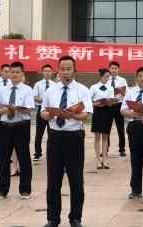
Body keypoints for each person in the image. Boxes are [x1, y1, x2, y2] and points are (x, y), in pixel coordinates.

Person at [41, 55, 93, 227]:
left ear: (74, 70)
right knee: (53, 179)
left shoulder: (83, 90)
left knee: (76, 180)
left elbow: (86, 114)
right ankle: (52, 218)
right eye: (62, 69)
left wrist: (73, 115)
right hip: (55, 138)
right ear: (58, 70)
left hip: (74, 138)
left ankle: (75, 217)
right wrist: (48, 115)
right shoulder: (50, 91)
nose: (65, 72)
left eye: (69, 69)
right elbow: (42, 112)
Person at [0, 61, 34, 200]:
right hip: (6, 126)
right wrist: (6, 110)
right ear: (9, 74)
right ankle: (2, 189)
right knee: (4, 158)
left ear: (22, 74)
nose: (14, 75)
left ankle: (25, 189)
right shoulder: (2, 90)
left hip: (21, 125)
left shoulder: (28, 90)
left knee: (24, 158)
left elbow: (28, 109)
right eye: (12, 72)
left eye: (17, 72)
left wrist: (15, 108)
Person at [121, 67, 143, 200]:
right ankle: (135, 189)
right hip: (134, 126)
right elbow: (123, 110)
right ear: (136, 78)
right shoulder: (130, 92)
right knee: (135, 159)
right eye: (140, 76)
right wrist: (135, 114)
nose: (142, 78)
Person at [90, 68, 114, 169]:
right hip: (97, 112)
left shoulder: (110, 88)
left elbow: (111, 101)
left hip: (107, 112)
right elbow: (88, 101)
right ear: (101, 76)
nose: (107, 79)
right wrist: (96, 104)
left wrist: (109, 102)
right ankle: (98, 160)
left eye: (108, 77)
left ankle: (105, 159)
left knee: (105, 136)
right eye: (105, 77)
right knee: (97, 136)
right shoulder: (94, 87)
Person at [33, 64, 54, 161]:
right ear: (42, 72)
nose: (47, 73)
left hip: (51, 110)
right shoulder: (38, 84)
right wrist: (44, 100)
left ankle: (51, 152)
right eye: (45, 71)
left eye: (49, 71)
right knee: (39, 133)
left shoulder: (55, 84)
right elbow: (34, 97)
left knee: (51, 132)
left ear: (52, 72)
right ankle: (37, 153)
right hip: (41, 108)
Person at [107, 60, 127, 157]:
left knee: (120, 128)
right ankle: (105, 148)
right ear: (109, 69)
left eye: (115, 68)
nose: (114, 70)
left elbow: (126, 94)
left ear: (118, 70)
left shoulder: (122, 80)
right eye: (112, 68)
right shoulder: (106, 79)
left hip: (119, 104)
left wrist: (121, 91)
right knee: (107, 128)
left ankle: (122, 149)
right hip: (109, 105)